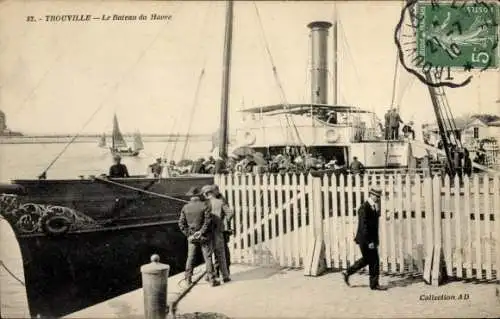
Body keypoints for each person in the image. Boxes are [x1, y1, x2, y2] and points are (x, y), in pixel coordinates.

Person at [343, 187, 385, 290]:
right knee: (374, 260)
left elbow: (373, 225)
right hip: (365, 239)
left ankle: (347, 272)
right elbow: (364, 226)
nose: (378, 198)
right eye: (376, 196)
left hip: (370, 239)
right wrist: (370, 241)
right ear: (371, 195)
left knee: (367, 259)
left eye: (379, 197)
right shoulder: (364, 208)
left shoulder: (374, 206)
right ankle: (374, 285)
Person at [178, 186, 219, 286]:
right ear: (199, 195)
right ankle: (212, 279)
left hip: (192, 237)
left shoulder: (185, 207)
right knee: (208, 257)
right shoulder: (205, 205)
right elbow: (208, 221)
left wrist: (189, 234)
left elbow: (181, 223)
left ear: (191, 197)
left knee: (190, 257)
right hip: (204, 236)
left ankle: (188, 279)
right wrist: (201, 232)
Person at [202, 184, 232, 283]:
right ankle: (226, 276)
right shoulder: (221, 202)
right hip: (219, 231)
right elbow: (230, 213)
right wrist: (224, 221)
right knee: (221, 254)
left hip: (209, 232)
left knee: (209, 255)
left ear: (206, 194)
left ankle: (210, 276)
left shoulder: (205, 204)